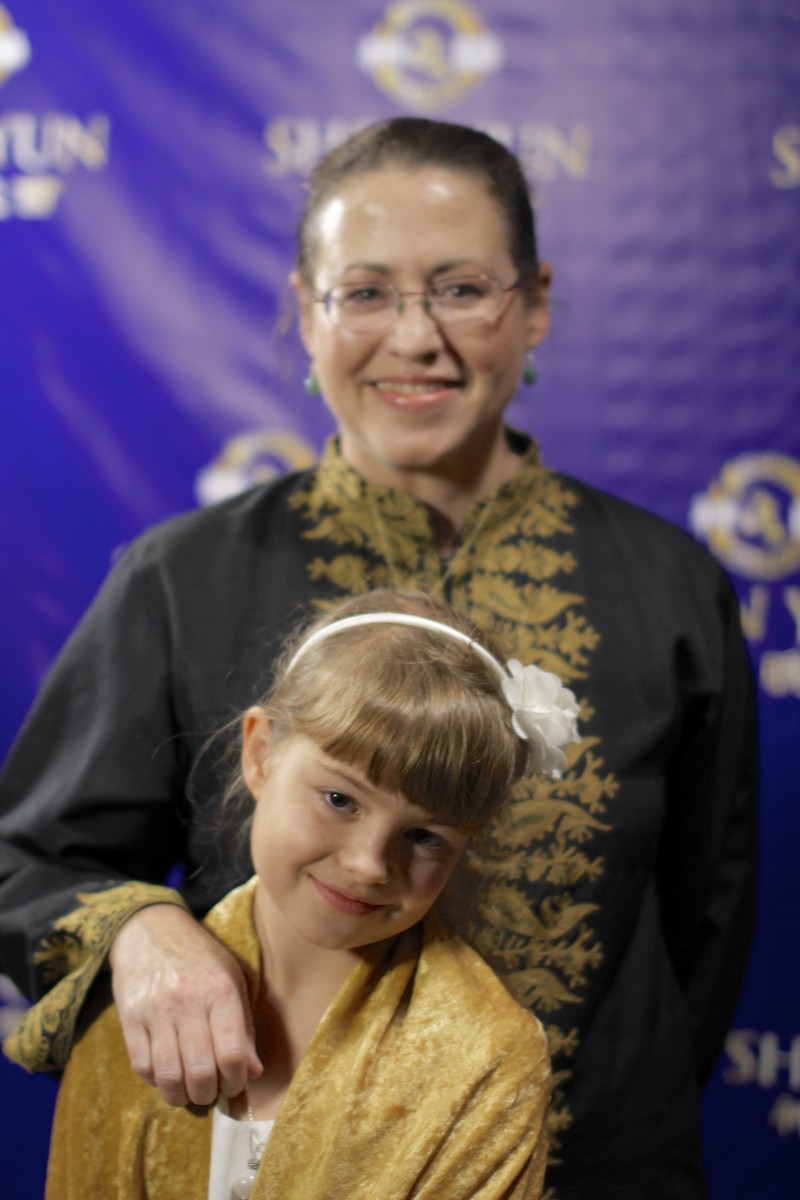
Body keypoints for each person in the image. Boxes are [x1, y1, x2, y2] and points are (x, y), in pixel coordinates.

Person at [0, 117, 757, 1199]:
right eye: (363, 293)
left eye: (460, 289)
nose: (415, 338)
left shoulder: (667, 584)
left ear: (533, 303)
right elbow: (25, 862)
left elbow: (702, 925)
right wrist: (145, 931)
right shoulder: (182, 577)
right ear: (304, 311)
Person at [36, 589, 560, 1199]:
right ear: (260, 753)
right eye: (340, 799)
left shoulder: (487, 1057)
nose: (369, 865)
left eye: (423, 835)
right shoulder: (137, 1002)